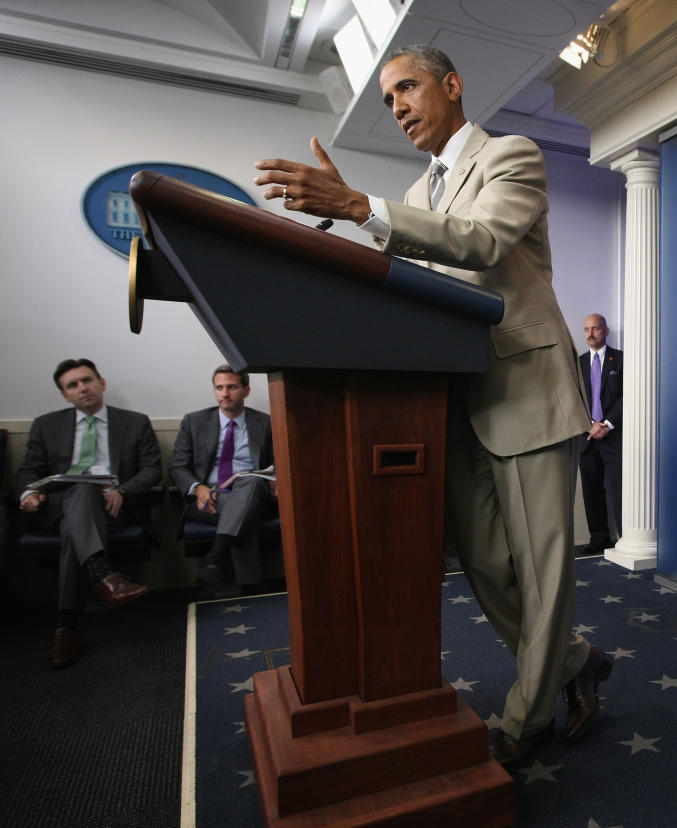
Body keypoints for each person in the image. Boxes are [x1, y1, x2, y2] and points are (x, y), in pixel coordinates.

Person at [254, 44, 612, 768]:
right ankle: (575, 662)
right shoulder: (417, 197)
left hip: (527, 390)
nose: (398, 108)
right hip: (450, 397)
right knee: (483, 562)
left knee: (544, 573)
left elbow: (479, 244)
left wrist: (358, 206)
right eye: (388, 100)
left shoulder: (514, 155)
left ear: (451, 85)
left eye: (407, 88)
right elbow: (415, 287)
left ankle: (527, 716)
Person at [15, 358, 162, 669]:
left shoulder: (134, 422)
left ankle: (66, 626)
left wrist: (122, 491)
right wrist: (27, 494)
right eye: (73, 385)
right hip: (58, 505)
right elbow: (28, 471)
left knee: (74, 529)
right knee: (79, 491)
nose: (82, 388)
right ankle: (102, 576)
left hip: (111, 506)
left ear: (101, 383)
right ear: (65, 395)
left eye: (87, 380)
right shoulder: (46, 425)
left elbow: (151, 470)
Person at [170, 366, 275, 595]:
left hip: (253, 491)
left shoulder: (265, 423)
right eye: (219, 388)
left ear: (246, 391)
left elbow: (278, 465)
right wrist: (198, 488)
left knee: (250, 484)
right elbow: (178, 467)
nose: (224, 394)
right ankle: (250, 585)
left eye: (231, 387)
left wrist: (277, 482)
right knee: (243, 511)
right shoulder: (194, 422)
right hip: (208, 498)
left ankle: (215, 557)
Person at [577, 314, 623, 554]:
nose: (590, 333)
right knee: (591, 491)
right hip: (587, 438)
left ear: (605, 331)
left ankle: (625, 538)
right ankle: (599, 539)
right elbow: (574, 398)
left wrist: (606, 423)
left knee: (617, 490)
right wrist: (589, 424)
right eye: (586, 329)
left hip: (614, 438)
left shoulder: (621, 359)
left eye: (595, 328)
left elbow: (627, 396)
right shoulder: (579, 362)